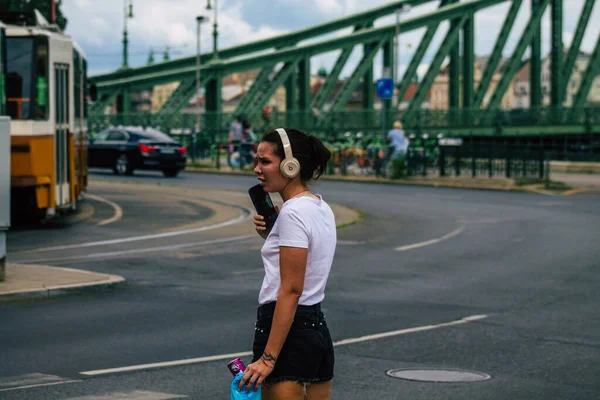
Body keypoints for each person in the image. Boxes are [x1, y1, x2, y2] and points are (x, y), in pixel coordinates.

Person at [239, 128, 336, 399]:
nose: (256, 169)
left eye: (265, 161)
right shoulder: (319, 206)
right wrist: (273, 236)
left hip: (286, 332)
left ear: (290, 165)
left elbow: (291, 289)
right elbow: (309, 260)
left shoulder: (292, 213)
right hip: (316, 330)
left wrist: (268, 358)